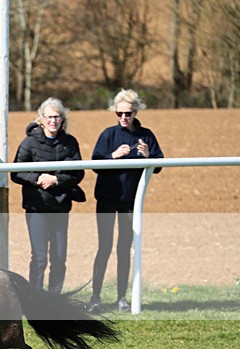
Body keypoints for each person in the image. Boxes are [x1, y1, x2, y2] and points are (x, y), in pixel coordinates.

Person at [88, 89, 164, 313]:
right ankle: (95, 297)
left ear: (135, 112)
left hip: (130, 201)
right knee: (104, 247)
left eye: (128, 113)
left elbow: (158, 165)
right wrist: (113, 156)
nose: (123, 117)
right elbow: (95, 162)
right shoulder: (108, 135)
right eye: (119, 113)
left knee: (124, 248)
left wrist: (148, 156)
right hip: (107, 199)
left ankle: (122, 298)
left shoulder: (146, 135)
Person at [11, 97, 85, 294]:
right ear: (41, 119)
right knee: (40, 257)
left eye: (57, 116)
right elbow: (16, 172)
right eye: (49, 117)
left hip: (60, 207)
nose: (53, 121)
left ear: (62, 119)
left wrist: (56, 180)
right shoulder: (29, 143)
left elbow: (78, 173)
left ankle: (55, 299)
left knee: (59, 257)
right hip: (37, 207)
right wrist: (37, 178)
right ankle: (35, 299)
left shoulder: (69, 143)